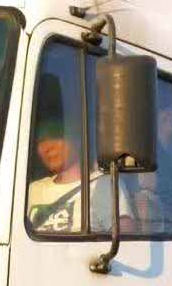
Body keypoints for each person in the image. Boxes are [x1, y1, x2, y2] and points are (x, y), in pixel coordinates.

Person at [27, 88, 134, 234]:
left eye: (56, 135)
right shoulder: (32, 191)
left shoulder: (103, 186)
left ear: (77, 138)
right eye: (41, 140)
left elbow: (126, 242)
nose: (47, 147)